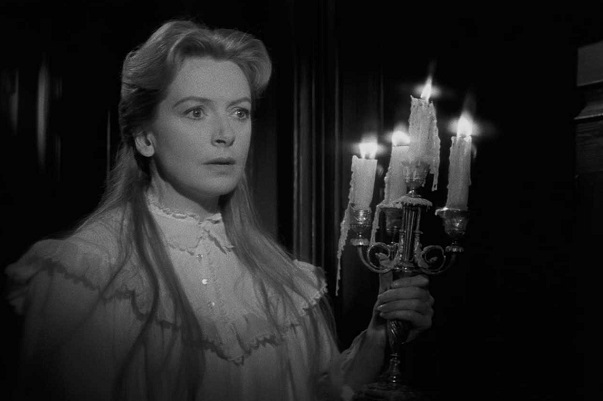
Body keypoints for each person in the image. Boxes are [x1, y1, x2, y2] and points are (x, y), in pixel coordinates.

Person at [4, 19, 434, 401]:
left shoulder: (281, 278)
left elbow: (315, 391)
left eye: (240, 112)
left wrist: (378, 338)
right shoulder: (88, 273)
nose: (226, 134)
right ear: (144, 136)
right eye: (196, 112)